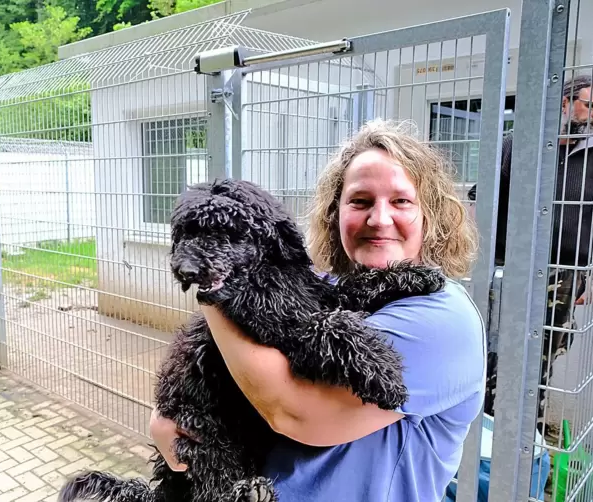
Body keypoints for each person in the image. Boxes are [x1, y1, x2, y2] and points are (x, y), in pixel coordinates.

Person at [150, 118, 486, 501]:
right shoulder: (326, 285)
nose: (379, 219)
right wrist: (165, 421)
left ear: (431, 215)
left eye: (401, 201)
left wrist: (213, 291)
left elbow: (292, 412)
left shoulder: (444, 320)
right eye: (359, 201)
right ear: (334, 213)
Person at [468, 74, 593, 430]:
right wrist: (481, 261)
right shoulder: (520, 143)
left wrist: (589, 277)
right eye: (590, 104)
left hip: (564, 274)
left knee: (538, 361)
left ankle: (527, 441)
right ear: (566, 103)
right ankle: (487, 441)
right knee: (492, 353)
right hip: (509, 268)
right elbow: (482, 198)